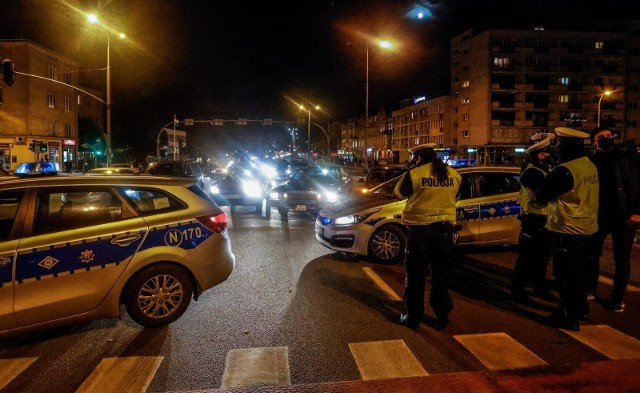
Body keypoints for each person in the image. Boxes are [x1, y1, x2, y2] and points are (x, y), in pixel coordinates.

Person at [535, 127, 599, 331]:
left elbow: (542, 194)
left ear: (568, 146)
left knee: (565, 275)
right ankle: (580, 309)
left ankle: (568, 316)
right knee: (578, 271)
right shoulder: (588, 165)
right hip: (586, 226)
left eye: (559, 144)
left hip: (566, 228)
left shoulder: (565, 170)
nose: (557, 148)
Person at [393, 143, 461, 331]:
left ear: (418, 158)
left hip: (421, 231)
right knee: (440, 275)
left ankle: (413, 317)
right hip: (445, 232)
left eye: (413, 158)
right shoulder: (453, 174)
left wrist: (410, 169)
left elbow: (398, 192)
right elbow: (455, 196)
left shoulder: (415, 174)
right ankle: (441, 316)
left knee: (416, 275)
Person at [584, 126, 640, 312]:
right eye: (603, 137)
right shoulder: (591, 162)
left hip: (624, 215)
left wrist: (637, 211)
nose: (608, 138)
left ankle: (617, 299)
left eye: (609, 135)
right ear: (594, 142)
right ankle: (590, 289)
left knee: (622, 258)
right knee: (591, 254)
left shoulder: (627, 156)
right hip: (599, 215)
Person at [511, 134, 556, 303]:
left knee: (543, 258)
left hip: (546, 219)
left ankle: (540, 287)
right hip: (533, 220)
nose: (553, 154)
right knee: (527, 257)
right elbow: (544, 194)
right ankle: (517, 289)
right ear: (541, 154)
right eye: (550, 152)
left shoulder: (546, 169)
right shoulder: (532, 172)